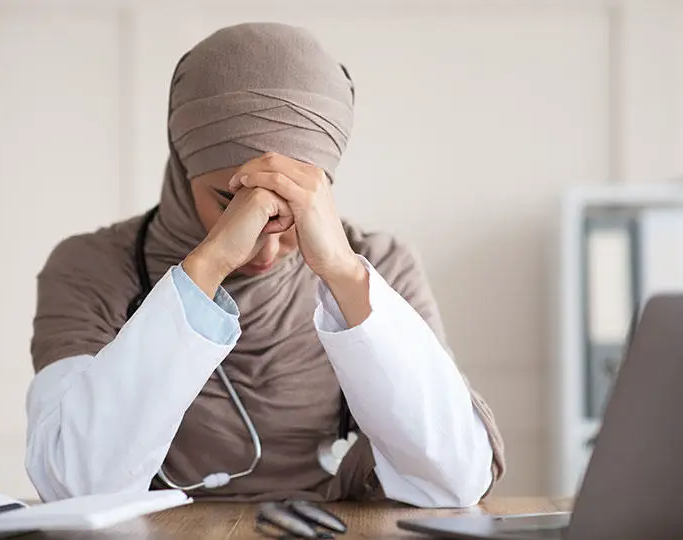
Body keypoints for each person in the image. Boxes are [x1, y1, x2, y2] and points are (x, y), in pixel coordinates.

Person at [25, 22, 505, 508]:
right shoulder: (92, 268)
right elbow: (74, 485)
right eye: (230, 202)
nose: (265, 251)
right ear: (181, 161)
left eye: (293, 209)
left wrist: (342, 273)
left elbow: (456, 479)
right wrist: (207, 266)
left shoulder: (380, 267)